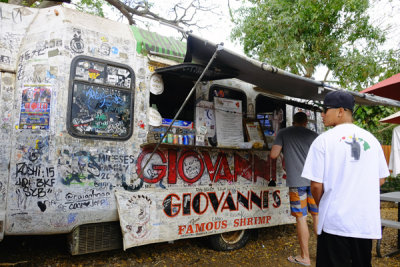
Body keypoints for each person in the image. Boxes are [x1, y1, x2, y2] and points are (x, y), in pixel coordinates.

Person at [301, 91, 389, 267]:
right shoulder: (372, 140)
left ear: (341, 111)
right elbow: (381, 179)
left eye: (326, 109)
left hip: (335, 222)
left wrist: (324, 204)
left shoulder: (323, 141)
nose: (322, 114)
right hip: (364, 223)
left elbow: (316, 186)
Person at [270, 111, 319, 266]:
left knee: (301, 218)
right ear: (306, 122)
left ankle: (305, 257)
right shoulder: (315, 135)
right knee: (317, 216)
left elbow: (273, 154)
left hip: (297, 183)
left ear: (293, 122)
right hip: (315, 182)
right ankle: (324, 254)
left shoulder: (284, 133)